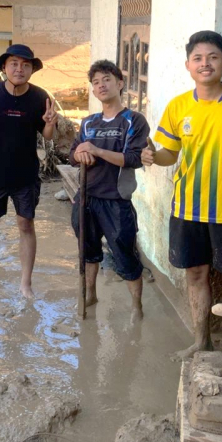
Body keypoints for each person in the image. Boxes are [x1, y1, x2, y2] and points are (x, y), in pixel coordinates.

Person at [142, 30, 222, 358]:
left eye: (213, 57)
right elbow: (169, 154)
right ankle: (202, 340)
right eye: (198, 58)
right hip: (187, 209)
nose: (206, 64)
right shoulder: (179, 106)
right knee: (195, 274)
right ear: (188, 65)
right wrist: (151, 155)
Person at [0, 44, 58, 299]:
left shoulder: (40, 97)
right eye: (14, 64)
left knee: (26, 225)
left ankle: (25, 284)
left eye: (25, 65)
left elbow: (47, 135)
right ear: (4, 67)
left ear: (31, 70)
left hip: (26, 176)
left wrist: (50, 123)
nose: (19, 69)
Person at [70, 60, 149, 320]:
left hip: (116, 201)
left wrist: (97, 151)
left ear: (120, 83)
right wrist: (81, 153)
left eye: (106, 79)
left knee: (125, 254)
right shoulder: (88, 123)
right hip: (86, 199)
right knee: (88, 251)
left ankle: (136, 306)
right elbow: (73, 153)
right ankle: (90, 294)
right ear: (92, 90)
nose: (101, 85)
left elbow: (135, 159)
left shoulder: (133, 121)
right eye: (95, 82)